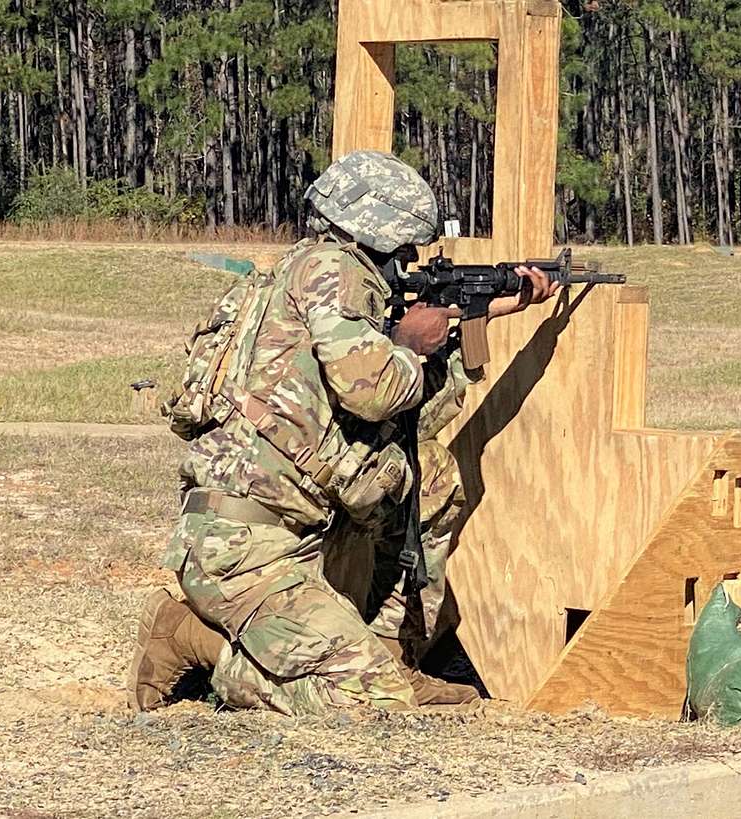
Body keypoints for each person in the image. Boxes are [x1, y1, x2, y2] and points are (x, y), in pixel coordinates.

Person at [126, 150, 559, 714]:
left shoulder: (303, 271)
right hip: (247, 550)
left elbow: (409, 422)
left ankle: (390, 655)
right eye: (404, 248)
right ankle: (190, 634)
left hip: (299, 536)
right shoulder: (336, 273)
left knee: (428, 478)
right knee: (367, 701)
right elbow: (372, 389)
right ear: (380, 230)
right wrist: (408, 343)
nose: (408, 259)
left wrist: (473, 317)